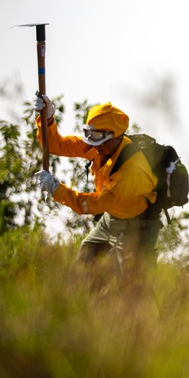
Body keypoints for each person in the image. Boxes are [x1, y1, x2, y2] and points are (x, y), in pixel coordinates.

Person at [33, 93, 161, 272]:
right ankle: (75, 299)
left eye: (99, 139)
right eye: (90, 136)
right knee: (86, 257)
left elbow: (98, 204)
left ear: (116, 136)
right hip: (112, 218)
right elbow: (56, 145)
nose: (94, 145)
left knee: (135, 281)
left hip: (140, 225)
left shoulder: (133, 171)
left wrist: (57, 189)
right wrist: (47, 120)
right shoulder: (99, 145)